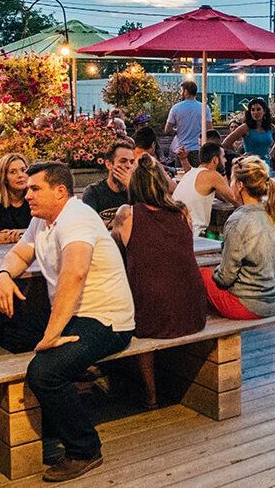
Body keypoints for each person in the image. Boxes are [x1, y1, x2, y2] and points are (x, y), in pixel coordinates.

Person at [0, 162, 135, 482]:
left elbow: (75, 273)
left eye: (34, 189)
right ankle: (45, 429)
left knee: (44, 371)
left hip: (107, 319)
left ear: (60, 192)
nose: (26, 193)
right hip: (75, 313)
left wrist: (50, 335)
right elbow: (19, 255)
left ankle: (84, 449)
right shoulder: (42, 221)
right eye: (26, 188)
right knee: (8, 331)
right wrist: (3, 274)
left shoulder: (77, 217)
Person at [111, 155, 206, 408]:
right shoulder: (182, 210)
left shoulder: (127, 214)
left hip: (152, 316)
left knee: (138, 307)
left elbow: (112, 244)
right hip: (194, 311)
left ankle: (150, 394)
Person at [202, 155, 275, 319]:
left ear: (240, 185)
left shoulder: (238, 220)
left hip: (248, 304)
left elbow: (226, 277)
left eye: (232, 180)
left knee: (201, 275)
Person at [172, 141, 237, 236]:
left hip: (176, 230)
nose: (226, 161)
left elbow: (223, 197)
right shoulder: (212, 175)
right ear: (215, 160)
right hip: (194, 234)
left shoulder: (192, 172)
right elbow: (234, 199)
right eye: (223, 157)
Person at [0, 153, 32, 244]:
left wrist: (22, 233)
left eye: (23, 170)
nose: (20, 175)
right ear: (4, 177)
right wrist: (23, 235)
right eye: (13, 172)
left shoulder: (34, 197)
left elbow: (46, 230)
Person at [81, 139, 135, 220]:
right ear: (109, 164)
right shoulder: (93, 192)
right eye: (123, 161)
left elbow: (144, 220)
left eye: (131, 162)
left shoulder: (136, 191)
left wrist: (129, 187)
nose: (129, 166)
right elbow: (89, 224)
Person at [222, 98, 275, 168]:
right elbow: (226, 143)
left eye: (258, 109)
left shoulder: (271, 127)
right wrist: (239, 157)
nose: (255, 112)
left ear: (264, 111)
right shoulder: (245, 127)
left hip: (266, 165)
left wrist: (272, 153)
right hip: (250, 166)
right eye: (252, 110)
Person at [165, 81, 210, 168]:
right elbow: (209, 129)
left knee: (181, 177)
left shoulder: (175, 108)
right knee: (198, 177)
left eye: (182, 91)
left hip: (181, 150)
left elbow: (167, 129)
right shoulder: (205, 108)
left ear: (186, 92)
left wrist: (176, 130)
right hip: (198, 150)